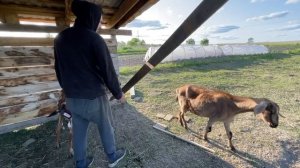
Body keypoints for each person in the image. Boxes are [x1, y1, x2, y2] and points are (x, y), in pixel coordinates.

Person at [54, 0, 126, 167]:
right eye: (99, 20)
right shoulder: (94, 38)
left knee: (79, 132)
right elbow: (107, 71)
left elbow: (58, 68)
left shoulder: (61, 38)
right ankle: (112, 156)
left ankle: (81, 163)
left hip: (72, 98)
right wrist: (119, 94)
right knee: (105, 127)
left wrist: (66, 89)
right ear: (92, 17)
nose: (100, 24)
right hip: (94, 97)